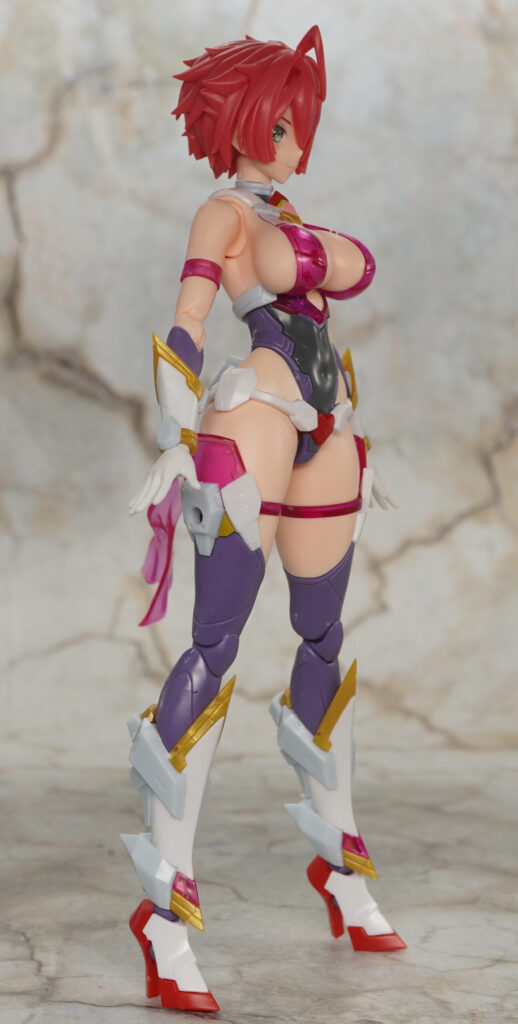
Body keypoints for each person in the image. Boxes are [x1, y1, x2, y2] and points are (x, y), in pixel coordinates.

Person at [121, 26, 405, 1014]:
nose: (296, 143)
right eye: (282, 124)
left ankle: (340, 870)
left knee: (322, 638)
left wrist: (317, 254)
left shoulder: (283, 213)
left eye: (301, 124)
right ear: (240, 122)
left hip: (329, 421)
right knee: (215, 646)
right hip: (255, 416)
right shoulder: (223, 213)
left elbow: (351, 269)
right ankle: (163, 915)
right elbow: (188, 319)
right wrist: (174, 434)